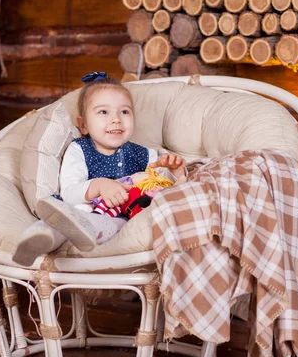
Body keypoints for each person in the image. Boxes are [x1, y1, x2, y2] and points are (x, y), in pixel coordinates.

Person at [12, 72, 186, 266]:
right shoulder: (79, 149)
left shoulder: (143, 154)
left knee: (107, 224)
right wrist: (99, 185)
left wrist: (174, 171)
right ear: (83, 125)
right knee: (64, 218)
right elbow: (69, 193)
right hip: (83, 211)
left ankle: (56, 235)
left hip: (122, 221)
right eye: (104, 112)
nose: (116, 119)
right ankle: (37, 239)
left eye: (124, 112)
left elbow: (161, 186)